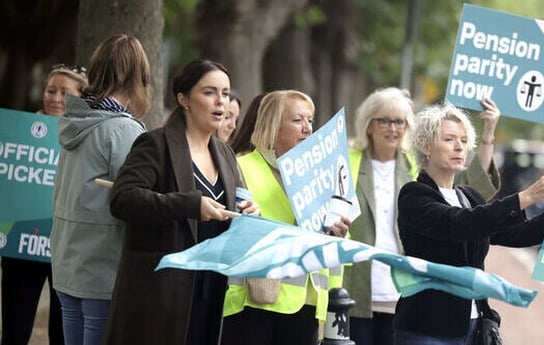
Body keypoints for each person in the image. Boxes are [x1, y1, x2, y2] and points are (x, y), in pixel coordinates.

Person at [393, 102, 544, 345]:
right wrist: (527, 197)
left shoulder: (468, 195)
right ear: (425, 144)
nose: (459, 147)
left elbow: (519, 234)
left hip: (474, 327)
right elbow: (461, 224)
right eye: (449, 139)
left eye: (464, 140)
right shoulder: (414, 195)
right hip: (428, 329)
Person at [104, 59, 258, 345]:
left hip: (210, 288)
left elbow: (238, 203)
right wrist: (188, 204)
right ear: (184, 98)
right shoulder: (156, 143)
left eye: (225, 93)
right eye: (209, 92)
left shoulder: (224, 153)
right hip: (161, 294)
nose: (221, 102)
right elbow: (123, 199)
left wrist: (249, 211)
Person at [343, 88, 502, 345]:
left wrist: (487, 135)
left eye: (400, 121)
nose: (393, 128)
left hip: (406, 292)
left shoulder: (418, 165)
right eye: (384, 120)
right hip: (358, 287)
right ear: (368, 124)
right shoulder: (347, 162)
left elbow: (474, 192)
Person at [221, 90, 349, 345]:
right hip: (255, 302)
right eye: (297, 120)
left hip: (308, 304)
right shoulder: (242, 166)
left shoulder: (323, 175)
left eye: (310, 121)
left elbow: (337, 248)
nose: (307, 129)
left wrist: (340, 231)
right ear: (272, 125)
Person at [50, 33, 151, 345]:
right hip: (103, 270)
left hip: (68, 262)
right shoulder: (123, 129)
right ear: (138, 76)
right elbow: (133, 199)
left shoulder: (74, 121)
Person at [1, 64, 87, 345]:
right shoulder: (20, 134)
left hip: (66, 248)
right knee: (15, 329)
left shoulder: (87, 138)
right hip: (22, 246)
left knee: (63, 334)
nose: (56, 98)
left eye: (65, 92)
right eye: (51, 90)